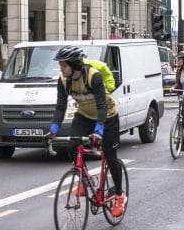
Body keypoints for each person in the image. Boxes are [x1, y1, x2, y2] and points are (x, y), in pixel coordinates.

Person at [48, 46, 126, 217]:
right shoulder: (63, 80)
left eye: (64, 65)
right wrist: (53, 129)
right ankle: (85, 179)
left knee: (110, 156)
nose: (61, 69)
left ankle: (120, 195)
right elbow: (61, 107)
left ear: (74, 65)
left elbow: (102, 105)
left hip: (107, 116)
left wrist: (99, 130)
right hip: (84, 115)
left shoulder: (93, 77)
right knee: (72, 145)